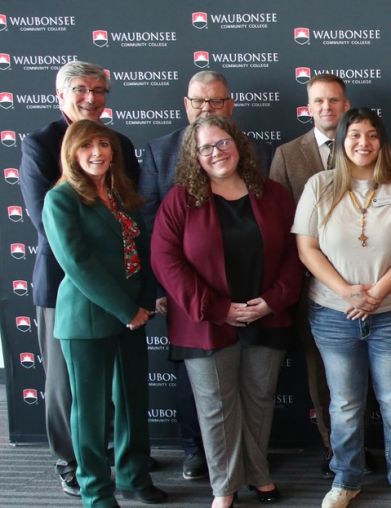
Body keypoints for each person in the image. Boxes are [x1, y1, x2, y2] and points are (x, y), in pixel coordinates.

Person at [151, 115, 304, 508]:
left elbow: (293, 253)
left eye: (223, 143)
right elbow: (165, 261)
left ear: (238, 144)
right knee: (217, 408)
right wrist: (218, 309)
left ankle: (259, 474)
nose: (216, 153)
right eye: (206, 147)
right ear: (194, 156)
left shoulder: (272, 194)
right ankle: (225, 486)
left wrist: (273, 299)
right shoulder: (180, 199)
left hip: (265, 316)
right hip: (206, 322)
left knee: (259, 399)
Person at [138, 69, 274, 481]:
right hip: (185, 299)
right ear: (186, 104)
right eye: (198, 101)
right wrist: (163, 290)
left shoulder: (255, 155)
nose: (206, 109)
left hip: (250, 295)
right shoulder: (160, 151)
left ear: (229, 107)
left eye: (215, 102)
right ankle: (196, 452)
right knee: (193, 386)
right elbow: (149, 227)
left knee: (251, 391)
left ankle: (248, 466)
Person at [17, 60, 143, 498]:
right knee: (67, 387)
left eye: (99, 90)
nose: (91, 98)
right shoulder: (40, 144)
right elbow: (43, 220)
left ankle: (121, 463)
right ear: (60, 95)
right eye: (80, 90)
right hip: (63, 286)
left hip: (123, 288)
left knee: (122, 391)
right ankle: (71, 464)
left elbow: (132, 216)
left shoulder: (121, 143)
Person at [294, 108, 391, 508]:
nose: (363, 143)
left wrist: (378, 292)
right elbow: (306, 248)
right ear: (341, 141)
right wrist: (348, 292)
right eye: (354, 135)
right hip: (334, 313)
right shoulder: (319, 186)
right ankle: (346, 478)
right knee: (345, 404)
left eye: (372, 135)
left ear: (382, 143)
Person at [42, 119, 167, 507]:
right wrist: (126, 309)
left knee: (132, 399)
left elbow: (142, 252)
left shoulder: (120, 192)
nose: (97, 153)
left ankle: (133, 476)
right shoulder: (60, 199)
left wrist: (144, 302)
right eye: (86, 147)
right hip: (87, 319)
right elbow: (78, 265)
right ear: (71, 154)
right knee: (91, 411)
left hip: (132, 315)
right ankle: (96, 492)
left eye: (103, 145)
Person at [269, 72, 352, 478]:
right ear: (307, 107)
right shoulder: (287, 154)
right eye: (318, 101)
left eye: (333, 101)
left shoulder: (366, 146)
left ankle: (360, 445)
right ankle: (332, 447)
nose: (326, 108)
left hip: (365, 282)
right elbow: (278, 226)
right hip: (310, 285)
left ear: (345, 105)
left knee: (364, 371)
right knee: (320, 371)